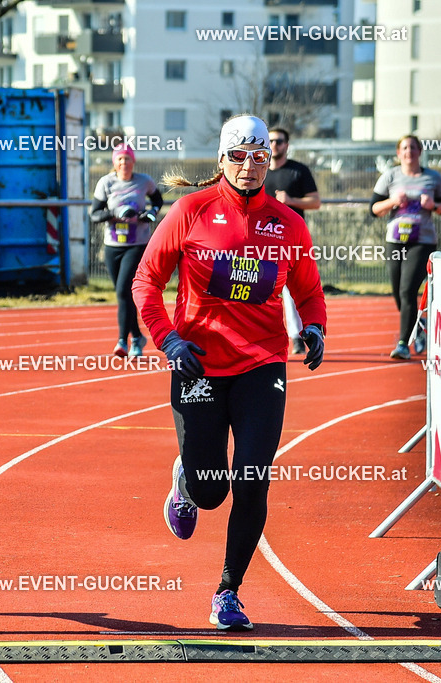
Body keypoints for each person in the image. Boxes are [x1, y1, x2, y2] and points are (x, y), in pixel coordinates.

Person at [132, 114, 326, 631]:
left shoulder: (288, 225)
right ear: (221, 159)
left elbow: (307, 291)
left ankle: (228, 591)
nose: (248, 166)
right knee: (211, 490)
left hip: (263, 364)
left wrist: (315, 329)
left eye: (259, 157)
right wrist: (169, 339)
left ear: (270, 161)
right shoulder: (190, 211)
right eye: (238, 156)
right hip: (197, 365)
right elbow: (147, 282)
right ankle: (185, 483)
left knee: (253, 481)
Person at [370, 135, 441, 360]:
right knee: (398, 292)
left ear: (420, 151)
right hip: (395, 241)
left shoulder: (433, 177)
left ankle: (403, 343)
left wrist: (433, 205)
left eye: (413, 147)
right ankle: (419, 324)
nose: (409, 152)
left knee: (407, 290)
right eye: (404, 148)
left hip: (422, 242)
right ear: (398, 153)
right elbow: (373, 209)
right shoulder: (390, 176)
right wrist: (393, 201)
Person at [90, 144, 163, 357]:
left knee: (124, 290)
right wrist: (112, 215)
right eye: (120, 159)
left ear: (133, 161)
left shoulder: (144, 181)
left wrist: (149, 214)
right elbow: (94, 213)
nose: (124, 163)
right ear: (114, 162)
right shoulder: (106, 182)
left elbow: (157, 201)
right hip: (113, 245)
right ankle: (138, 336)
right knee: (123, 295)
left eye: (127, 159)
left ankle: (123, 341)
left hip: (137, 244)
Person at [264, 127, 322, 355]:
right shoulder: (258, 170)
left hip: (291, 239)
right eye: (270, 141)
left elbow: (315, 202)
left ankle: (297, 336)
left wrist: (291, 200)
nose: (275, 145)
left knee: (292, 289)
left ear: (287, 145)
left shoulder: (299, 171)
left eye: (279, 141)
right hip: (260, 240)